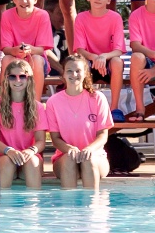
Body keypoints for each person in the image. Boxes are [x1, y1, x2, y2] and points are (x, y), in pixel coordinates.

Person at [42, 52, 112, 189]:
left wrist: (89, 149)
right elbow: (55, 138)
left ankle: (93, 201)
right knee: (70, 159)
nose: (74, 74)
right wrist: (69, 149)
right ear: (63, 74)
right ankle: (69, 202)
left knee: (88, 159)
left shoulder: (97, 98)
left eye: (78, 71)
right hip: (64, 157)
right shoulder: (53, 102)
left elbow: (103, 135)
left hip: (96, 156)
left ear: (85, 73)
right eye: (69, 71)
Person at [0, 0, 58, 84]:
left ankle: (36, 95)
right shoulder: (7, 15)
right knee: (6, 59)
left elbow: (41, 50)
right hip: (15, 59)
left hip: (36, 60)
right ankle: (4, 94)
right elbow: (6, 49)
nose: (24, 1)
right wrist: (15, 51)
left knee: (37, 59)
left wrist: (29, 49)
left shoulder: (42, 15)